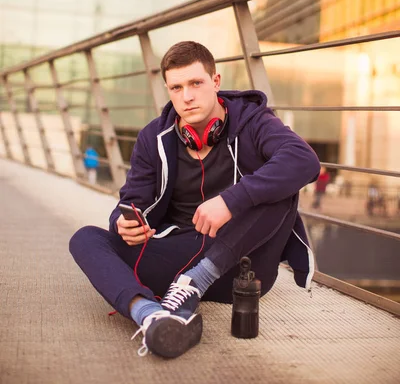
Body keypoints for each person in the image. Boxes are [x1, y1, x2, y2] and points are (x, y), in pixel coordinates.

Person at [70, 41, 320, 359]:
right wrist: (124, 224)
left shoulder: (254, 122)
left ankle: (194, 282)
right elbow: (133, 199)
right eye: (176, 87)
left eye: (195, 83)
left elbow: (304, 161)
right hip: (176, 258)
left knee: (284, 184)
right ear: (167, 90)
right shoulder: (153, 137)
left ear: (215, 82)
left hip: (243, 266)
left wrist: (231, 201)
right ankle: (152, 315)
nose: (186, 97)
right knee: (86, 238)